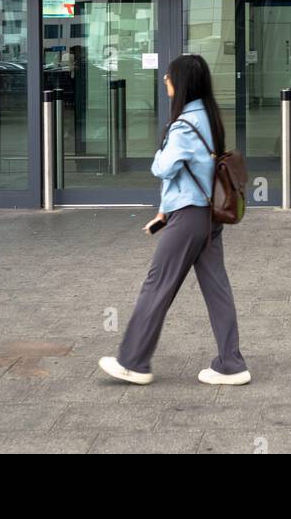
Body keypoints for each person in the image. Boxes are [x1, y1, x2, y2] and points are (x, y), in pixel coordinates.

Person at [99, 54, 249, 386]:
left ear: (181, 83)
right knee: (217, 289)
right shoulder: (209, 118)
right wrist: (164, 210)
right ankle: (232, 363)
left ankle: (133, 361)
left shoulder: (183, 126)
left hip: (189, 218)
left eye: (168, 77)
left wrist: (159, 153)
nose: (165, 81)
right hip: (208, 216)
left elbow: (164, 168)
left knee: (156, 286)